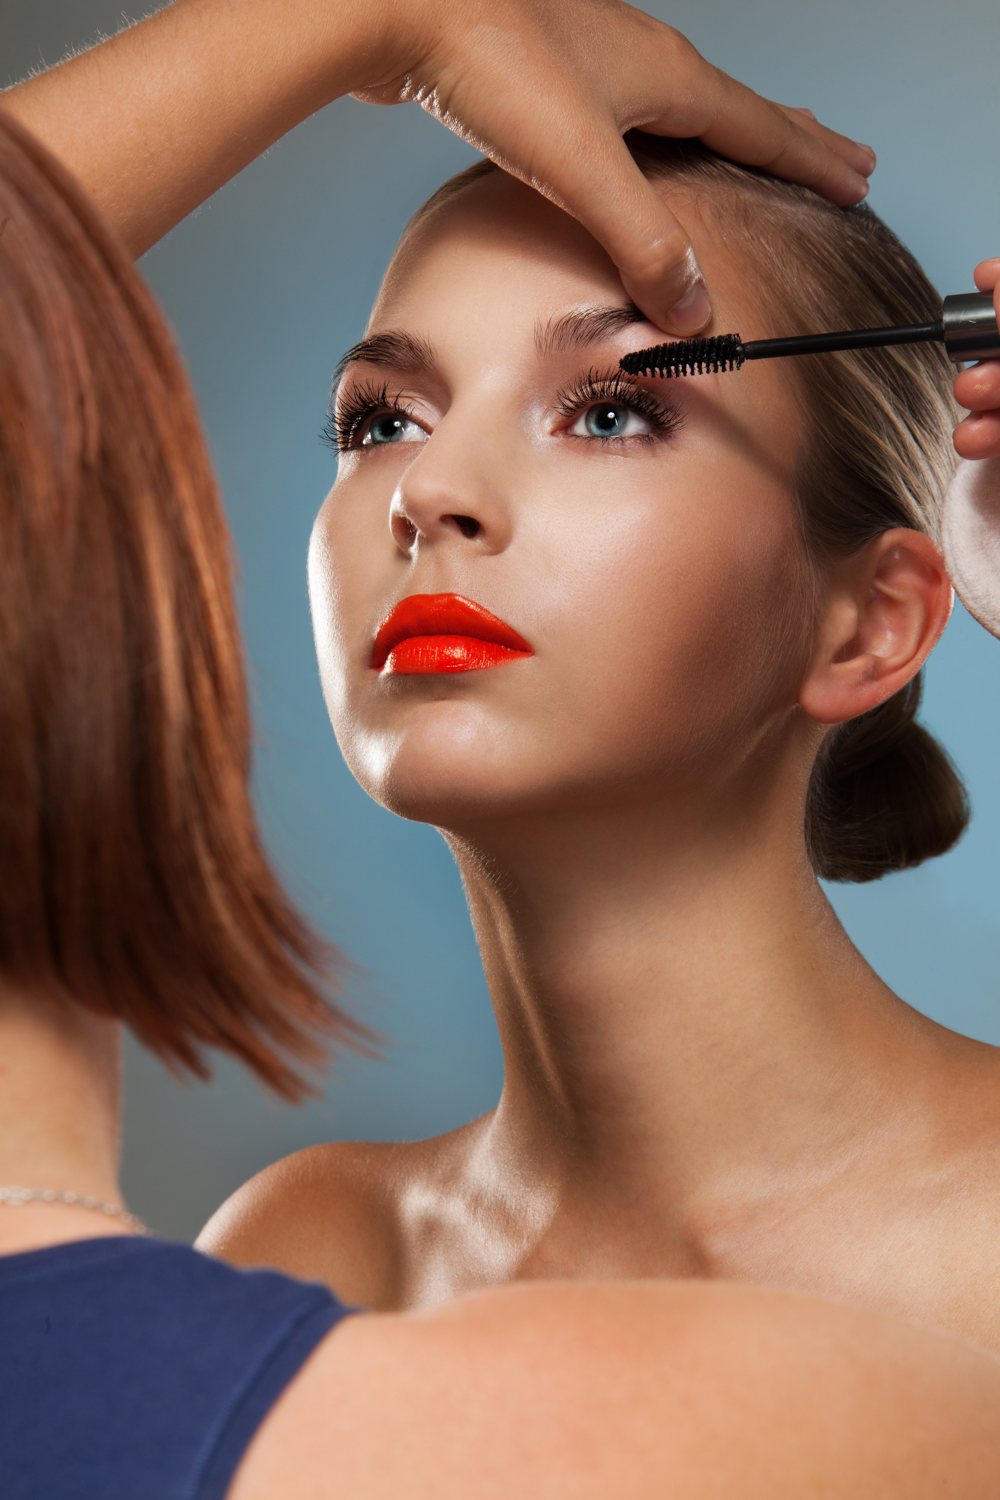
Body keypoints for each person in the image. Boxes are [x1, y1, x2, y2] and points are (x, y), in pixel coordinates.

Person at [4, 56, 1000, 1500]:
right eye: (379, 420)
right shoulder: (323, 1252)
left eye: (609, 411)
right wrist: (363, 17)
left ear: (873, 623)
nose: (427, 493)